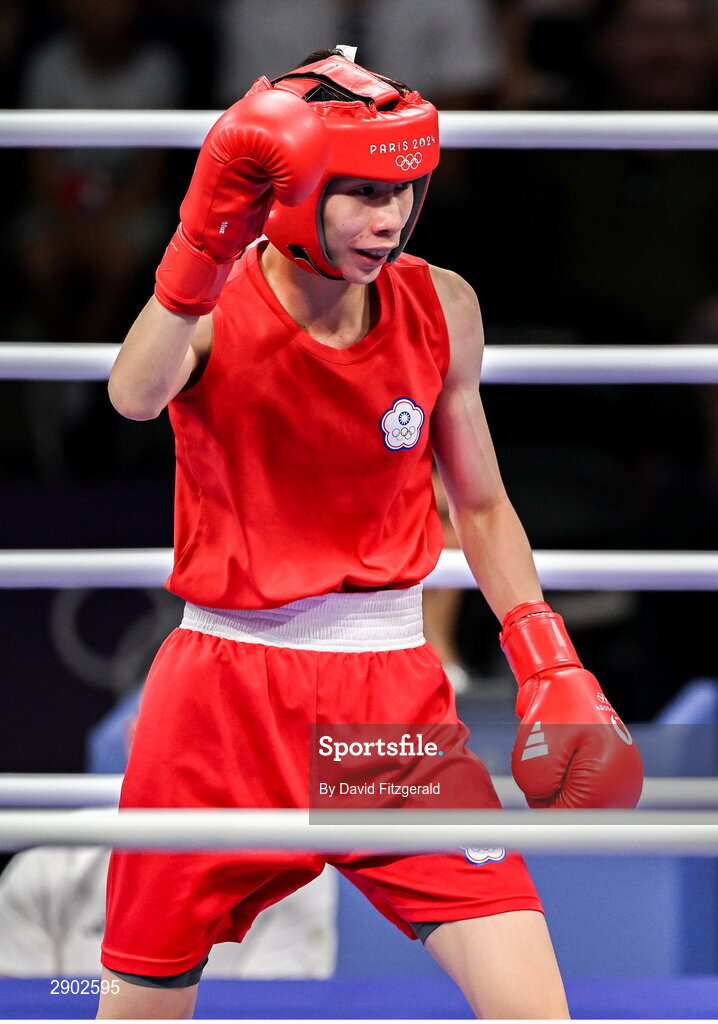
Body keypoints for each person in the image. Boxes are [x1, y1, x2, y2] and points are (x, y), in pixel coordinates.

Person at [99, 47, 643, 1019]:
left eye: (404, 189)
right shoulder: (214, 307)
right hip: (218, 708)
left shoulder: (440, 306)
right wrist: (198, 246)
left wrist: (544, 656)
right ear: (288, 191)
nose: (386, 217)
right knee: (138, 1006)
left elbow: (477, 504)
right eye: (356, 192)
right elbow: (134, 395)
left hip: (383, 710)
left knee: (534, 1006)